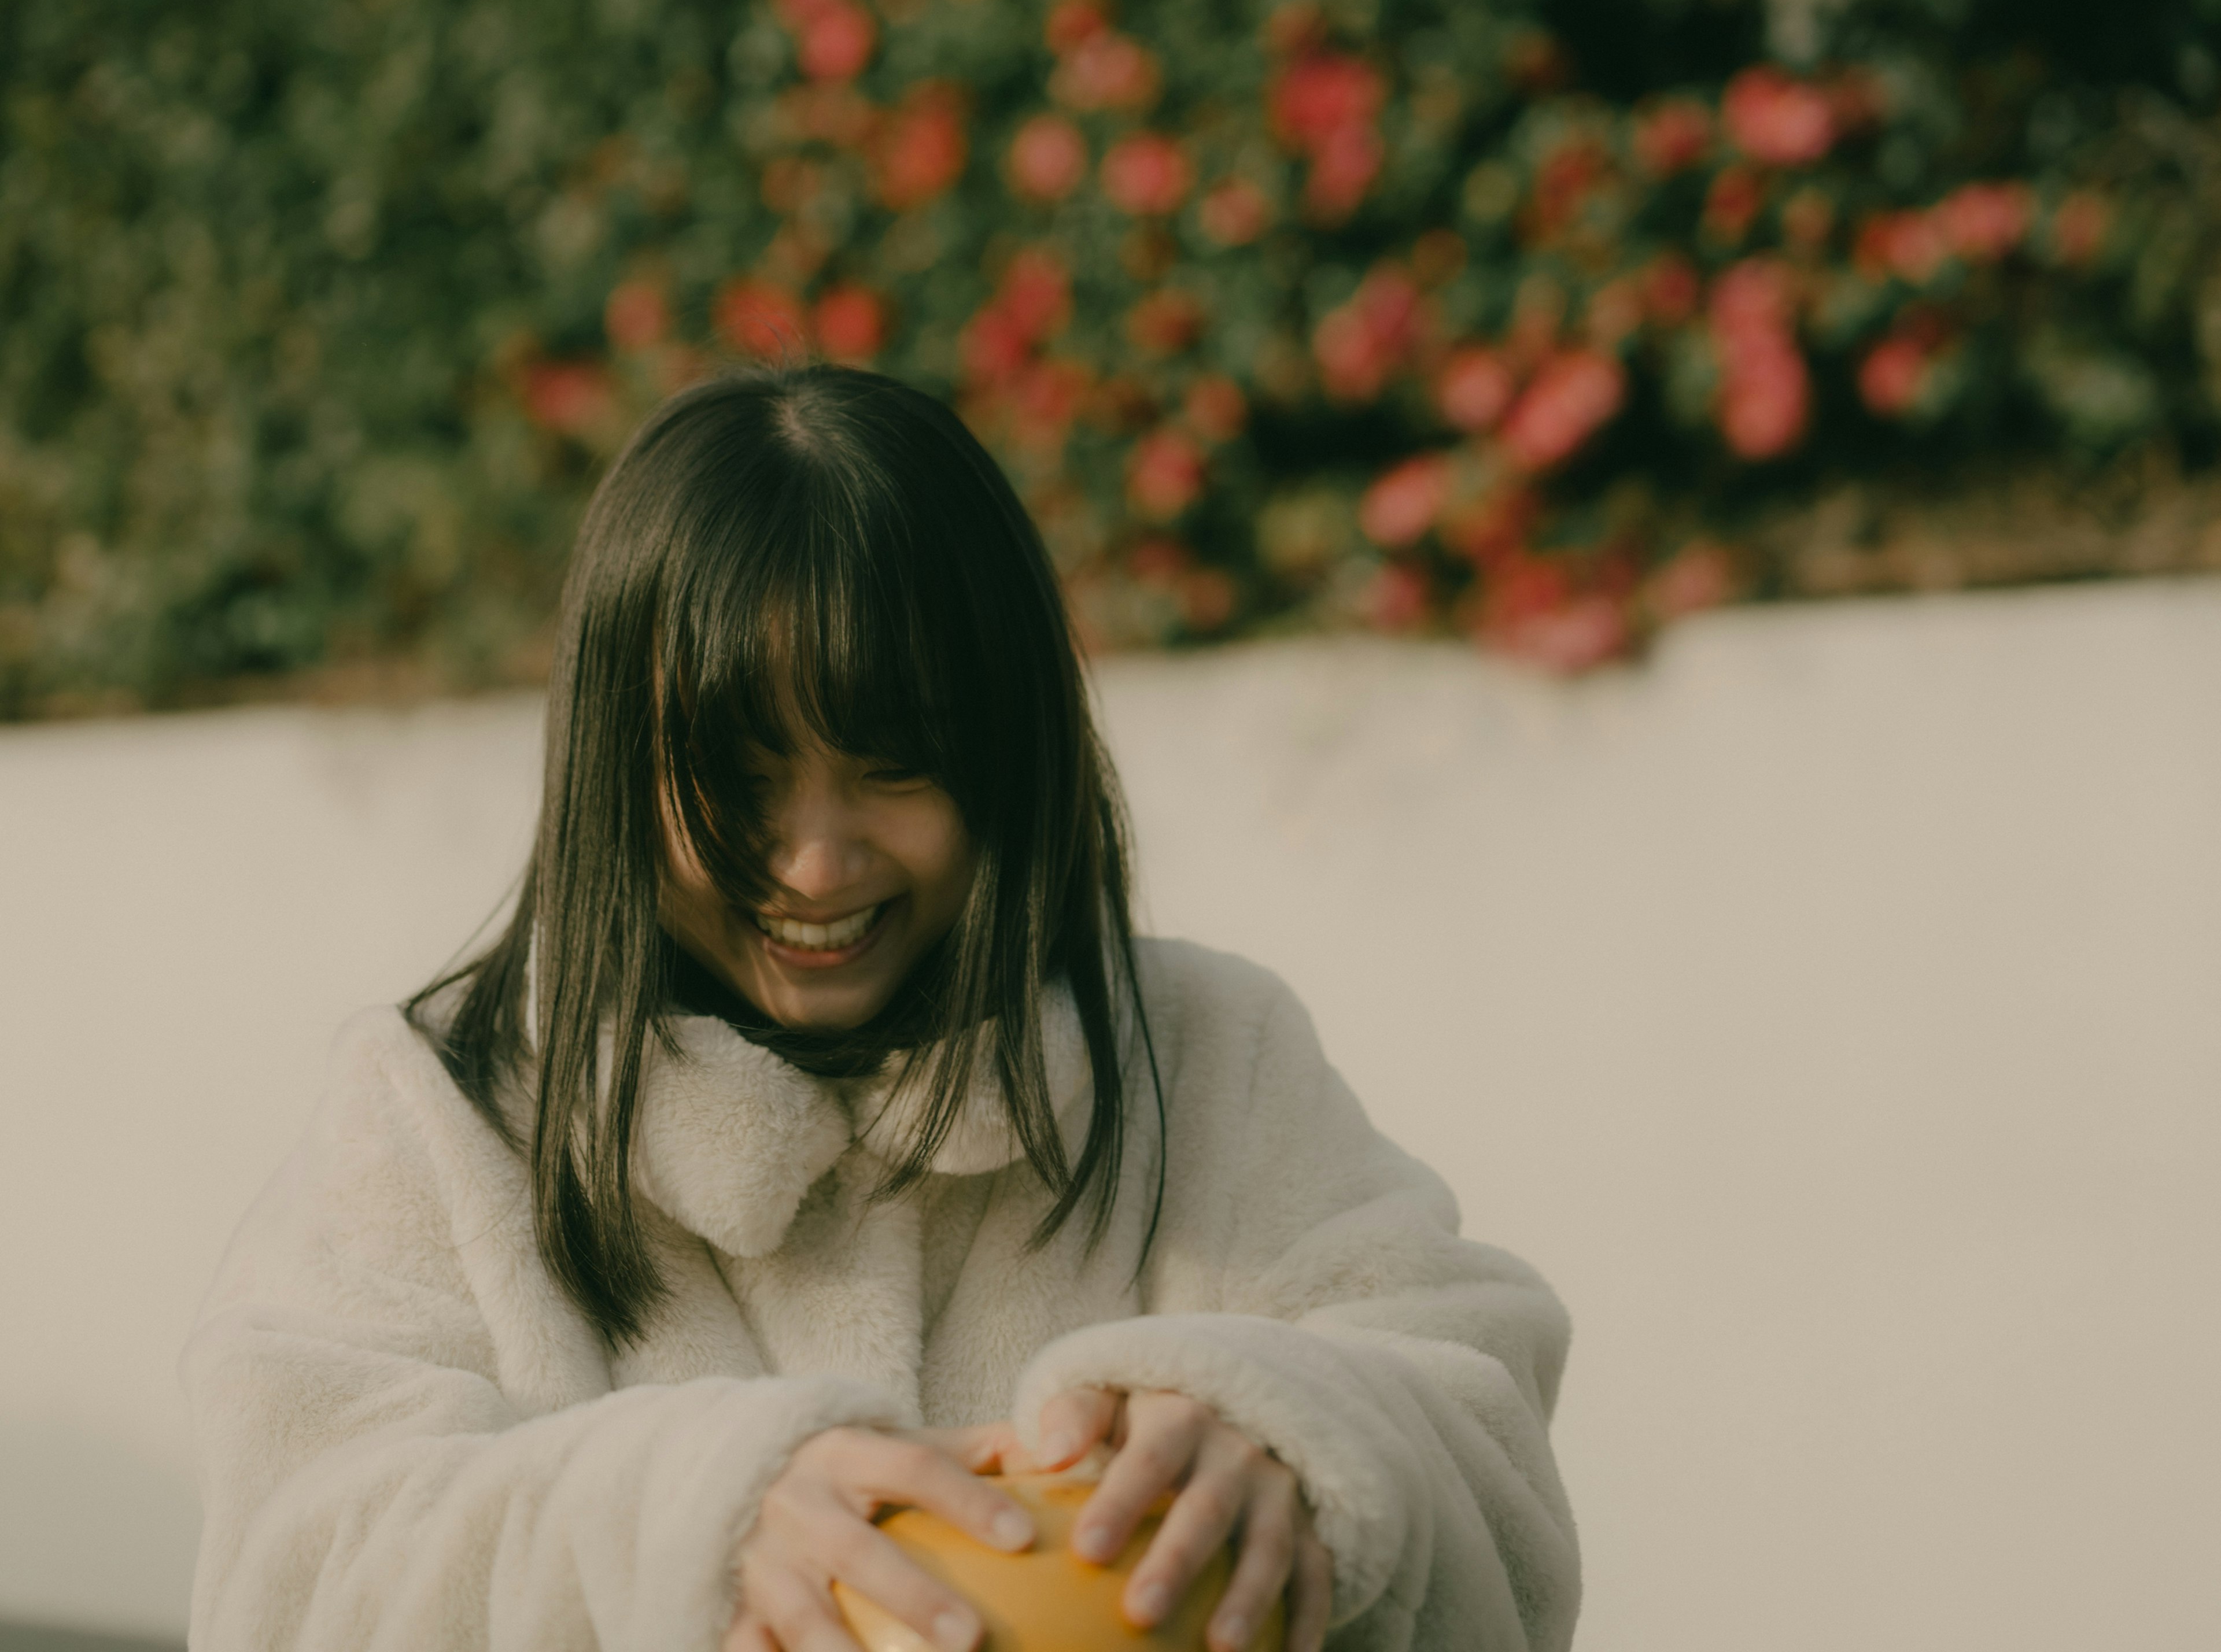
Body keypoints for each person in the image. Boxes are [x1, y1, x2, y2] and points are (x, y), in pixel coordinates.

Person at [184, 368, 1580, 1652]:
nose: (816, 862)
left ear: (1012, 750)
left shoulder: (1211, 1056)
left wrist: (1302, 1442)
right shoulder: (434, 1117)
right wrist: (686, 1521)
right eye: (733, 779)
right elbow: (289, 1568)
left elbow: (1485, 1430)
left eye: (895, 763)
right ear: (613, 765)